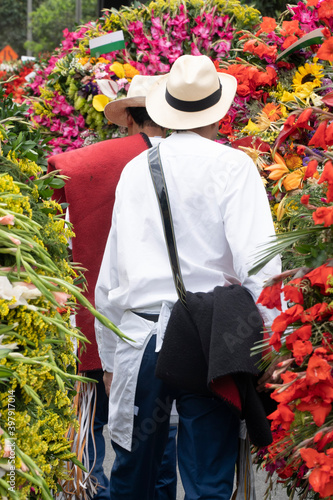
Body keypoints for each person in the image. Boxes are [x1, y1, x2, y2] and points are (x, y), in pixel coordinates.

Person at [95, 55, 281, 500]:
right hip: (208, 339)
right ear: (220, 111)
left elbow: (111, 271)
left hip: (141, 340)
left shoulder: (136, 170)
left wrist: (107, 357)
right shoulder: (234, 167)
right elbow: (261, 266)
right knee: (208, 480)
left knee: (133, 478)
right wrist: (272, 344)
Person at [47, 74, 177, 500]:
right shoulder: (205, 161)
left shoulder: (83, 162)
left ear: (129, 119)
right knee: (163, 433)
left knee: (95, 433)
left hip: (96, 320)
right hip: (175, 325)